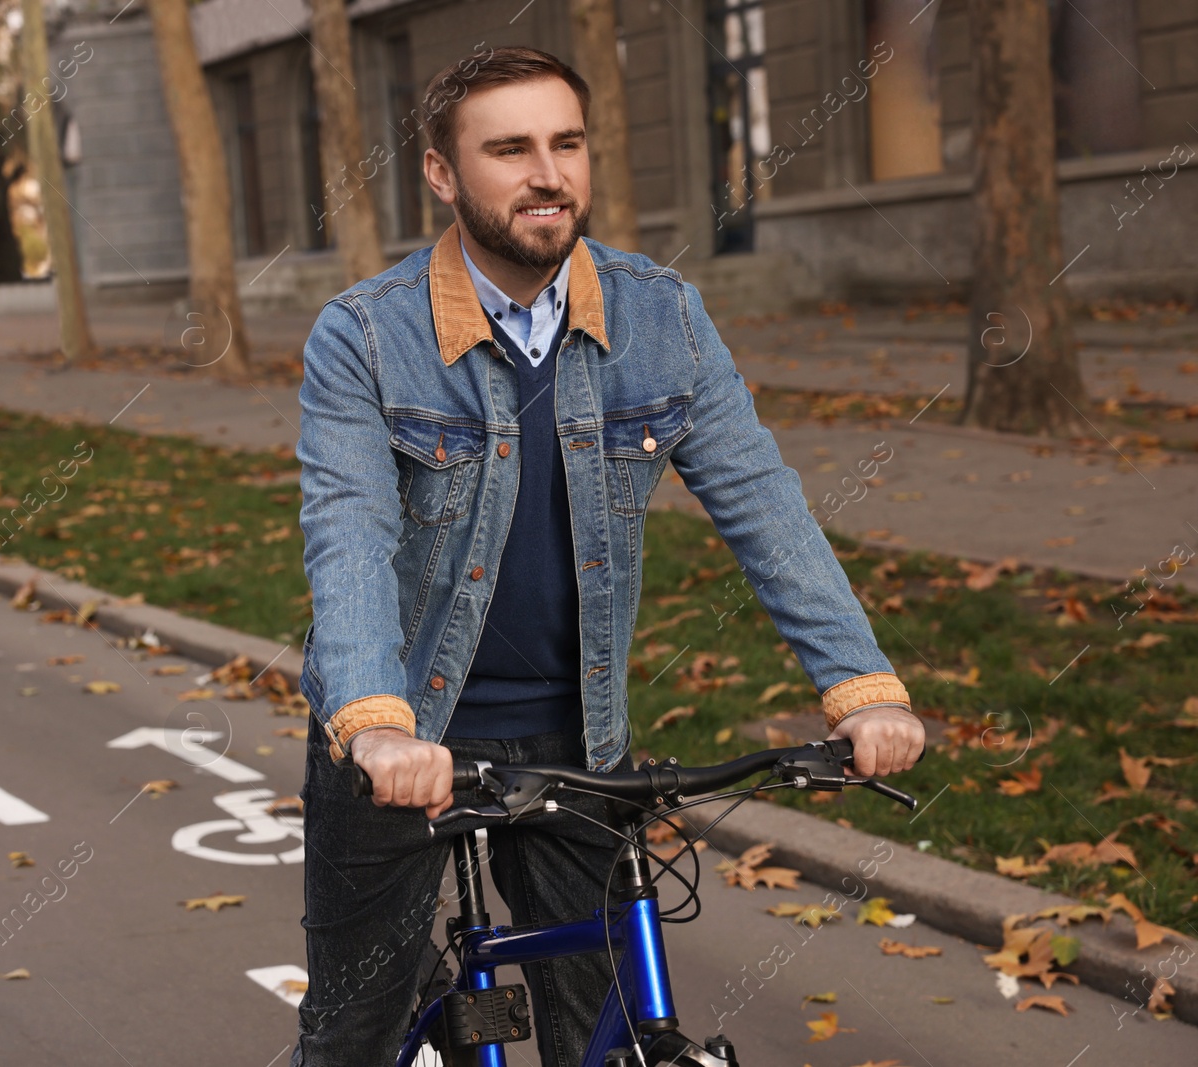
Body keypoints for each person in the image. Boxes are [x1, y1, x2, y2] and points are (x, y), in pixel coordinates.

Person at [291, 45, 925, 1066]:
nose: (547, 173)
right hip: (405, 731)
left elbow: (761, 500)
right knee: (352, 1030)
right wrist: (372, 724)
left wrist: (860, 685)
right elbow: (348, 529)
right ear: (443, 176)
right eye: (508, 149)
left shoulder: (658, 314)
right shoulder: (367, 333)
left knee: (605, 1025)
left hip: (573, 738)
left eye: (566, 143)